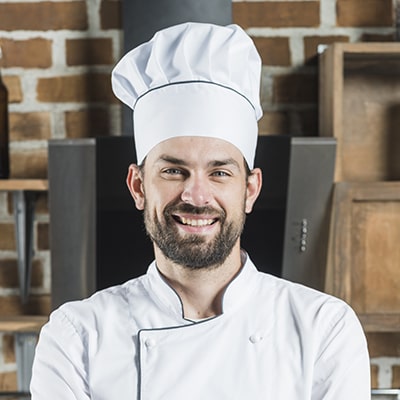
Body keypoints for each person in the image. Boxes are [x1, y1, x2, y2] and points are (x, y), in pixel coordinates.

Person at [30, 22, 370, 399]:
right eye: (173, 171)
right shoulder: (76, 337)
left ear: (250, 190)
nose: (196, 195)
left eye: (219, 172)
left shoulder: (323, 329)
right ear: (138, 186)